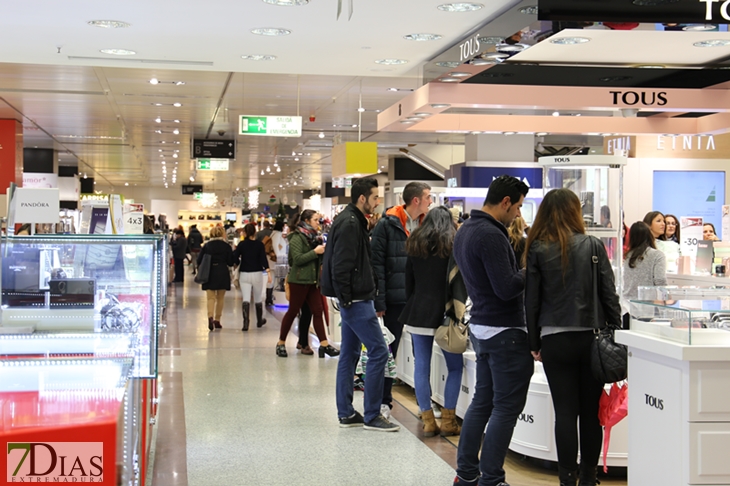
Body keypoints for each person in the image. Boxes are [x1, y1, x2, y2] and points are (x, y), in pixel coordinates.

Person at [524, 188, 622, 486]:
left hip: (554, 339)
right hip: (591, 340)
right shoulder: (592, 245)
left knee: (564, 412)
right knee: (591, 413)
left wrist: (534, 342)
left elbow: (532, 300)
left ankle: (567, 477)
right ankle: (589, 478)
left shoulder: (537, 249)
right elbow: (609, 293)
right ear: (575, 212)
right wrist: (616, 333)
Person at [453, 175, 532, 486]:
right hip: (505, 331)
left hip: (482, 329)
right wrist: (531, 270)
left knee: (482, 402)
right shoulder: (491, 235)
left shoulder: (466, 230)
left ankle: (467, 475)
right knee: (506, 407)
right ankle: (492, 478)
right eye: (517, 208)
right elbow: (506, 287)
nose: (517, 215)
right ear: (505, 202)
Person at [321, 177, 399, 432]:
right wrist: (347, 299)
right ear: (362, 198)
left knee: (350, 354)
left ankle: (346, 412)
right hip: (356, 300)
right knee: (379, 351)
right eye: (375, 197)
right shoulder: (351, 223)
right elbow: (340, 265)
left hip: (353, 298)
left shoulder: (350, 220)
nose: (378, 202)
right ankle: (372, 414)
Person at [399, 206, 463, 437]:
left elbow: (409, 281)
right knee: (455, 367)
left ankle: (427, 420)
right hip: (447, 314)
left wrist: (413, 303)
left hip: (419, 311)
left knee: (421, 366)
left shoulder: (415, 243)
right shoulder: (453, 245)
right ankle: (448, 420)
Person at [371, 181, 431, 418]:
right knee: (388, 352)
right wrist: (380, 301)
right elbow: (377, 265)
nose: (430, 200)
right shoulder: (387, 225)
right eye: (428, 196)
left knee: (422, 352)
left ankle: (425, 405)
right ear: (416, 200)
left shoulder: (427, 225)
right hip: (394, 300)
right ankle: (383, 402)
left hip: (419, 299)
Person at [276, 210, 339, 358]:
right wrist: (315, 252)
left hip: (313, 280)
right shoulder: (297, 237)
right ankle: (280, 343)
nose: (318, 223)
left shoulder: (314, 238)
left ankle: (324, 344)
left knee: (318, 312)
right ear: (306, 220)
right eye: (316, 220)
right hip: (298, 280)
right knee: (293, 311)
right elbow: (297, 259)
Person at [622, 221, 668, 328]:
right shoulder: (657, 255)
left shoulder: (628, 256)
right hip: (647, 309)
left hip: (627, 308)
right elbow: (660, 281)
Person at [233, 223, 272, 330]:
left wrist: (236, 263)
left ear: (244, 232)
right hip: (257, 273)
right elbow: (263, 259)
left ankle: (246, 323)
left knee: (246, 298)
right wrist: (268, 273)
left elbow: (235, 258)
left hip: (244, 273)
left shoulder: (241, 244)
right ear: (255, 232)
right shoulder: (259, 245)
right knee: (258, 297)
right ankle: (259, 321)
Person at [197, 226, 235, 331]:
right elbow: (230, 262)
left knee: (211, 298)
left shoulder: (207, 246)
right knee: (220, 298)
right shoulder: (226, 246)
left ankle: (210, 317)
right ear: (222, 234)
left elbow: (199, 260)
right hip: (222, 272)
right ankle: (217, 320)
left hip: (209, 273)